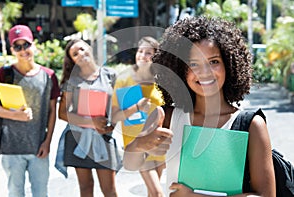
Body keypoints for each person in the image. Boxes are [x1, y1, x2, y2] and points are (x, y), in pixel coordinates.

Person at [123, 16, 276, 197]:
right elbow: (129, 163)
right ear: (179, 69)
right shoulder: (167, 116)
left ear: (228, 64)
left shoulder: (251, 125)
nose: (204, 72)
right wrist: (139, 144)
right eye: (193, 64)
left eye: (213, 62)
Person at [0, 25, 60, 197]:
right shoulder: (5, 74)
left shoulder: (49, 76)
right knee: (15, 193)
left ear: (34, 45)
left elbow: (53, 111)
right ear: (12, 50)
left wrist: (47, 142)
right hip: (11, 148)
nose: (23, 50)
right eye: (18, 46)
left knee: (41, 193)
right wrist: (15, 115)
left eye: (26, 45)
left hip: (39, 148)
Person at [57, 39, 121, 197]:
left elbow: (117, 107)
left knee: (110, 190)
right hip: (79, 139)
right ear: (72, 60)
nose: (80, 54)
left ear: (89, 48)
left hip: (103, 137)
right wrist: (91, 122)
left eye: (81, 49)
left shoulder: (110, 75)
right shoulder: (72, 81)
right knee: (86, 188)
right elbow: (63, 113)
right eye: (74, 54)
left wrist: (113, 123)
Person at [111, 36, 167, 197]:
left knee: (152, 194)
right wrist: (137, 107)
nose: (142, 55)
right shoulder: (124, 80)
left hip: (158, 140)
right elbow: (115, 116)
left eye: (148, 53)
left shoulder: (160, 82)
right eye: (140, 51)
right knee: (158, 194)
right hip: (138, 143)